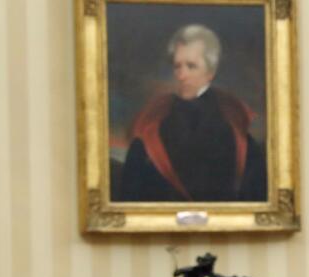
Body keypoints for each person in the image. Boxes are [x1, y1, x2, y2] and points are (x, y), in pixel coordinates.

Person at [112, 24, 267, 203]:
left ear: (210, 72)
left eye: (191, 66)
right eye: (178, 66)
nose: (181, 75)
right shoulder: (154, 119)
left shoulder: (232, 123)